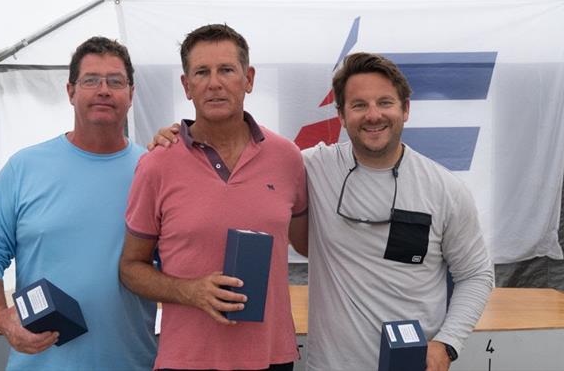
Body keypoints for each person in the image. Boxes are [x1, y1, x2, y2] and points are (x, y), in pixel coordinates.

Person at [120, 24, 307, 371]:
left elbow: (310, 243)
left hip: (272, 358)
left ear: (248, 79)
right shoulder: (157, 164)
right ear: (187, 85)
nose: (214, 83)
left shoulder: (287, 158)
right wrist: (190, 291)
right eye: (202, 72)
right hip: (186, 360)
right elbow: (131, 268)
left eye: (226, 70)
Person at [0, 37, 156, 370]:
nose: (103, 90)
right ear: (70, 91)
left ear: (131, 93)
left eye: (115, 81)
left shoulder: (153, 171)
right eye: (91, 80)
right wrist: (2, 318)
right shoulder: (25, 167)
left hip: (132, 362)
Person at [296, 52, 494, 371]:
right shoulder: (312, 168)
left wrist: (447, 344)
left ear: (406, 109)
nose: (373, 115)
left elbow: (476, 274)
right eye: (359, 105)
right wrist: (186, 139)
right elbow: (246, 153)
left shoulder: (445, 189)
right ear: (342, 115)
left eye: (385, 102)